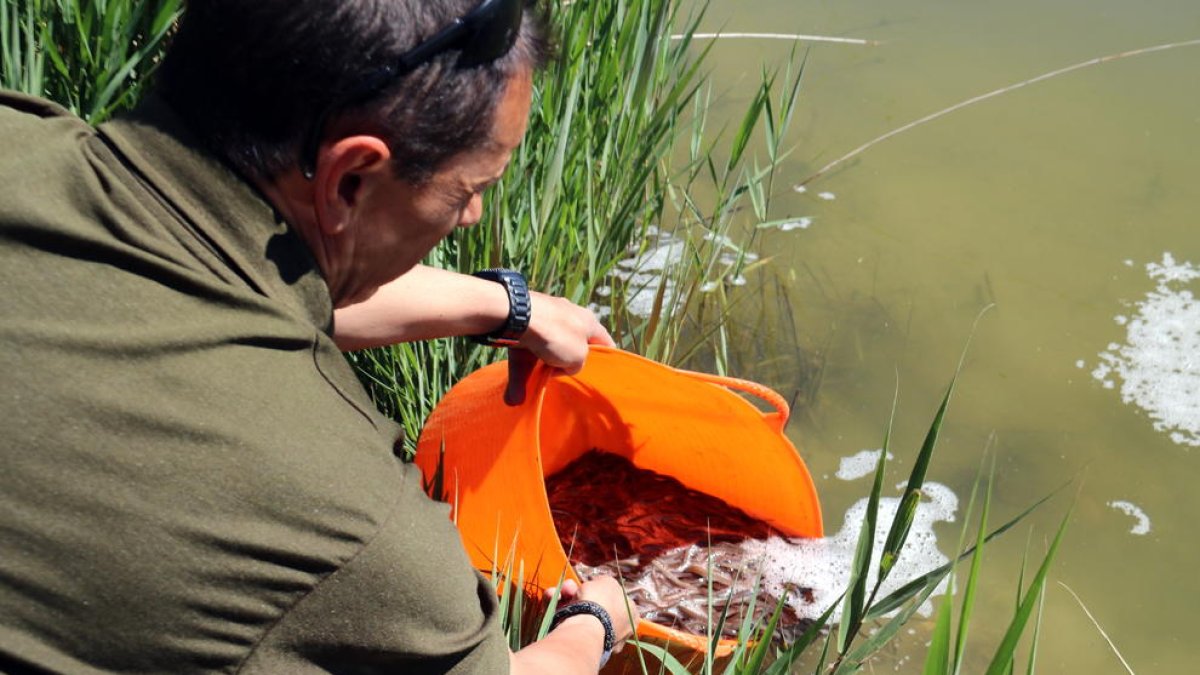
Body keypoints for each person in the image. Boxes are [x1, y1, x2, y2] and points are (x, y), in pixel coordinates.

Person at [0, 0, 638, 672]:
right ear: (350, 176)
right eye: (468, 190)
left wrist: (506, 306)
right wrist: (592, 623)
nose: (471, 217)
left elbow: (229, 276)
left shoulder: (22, 136)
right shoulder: (354, 523)